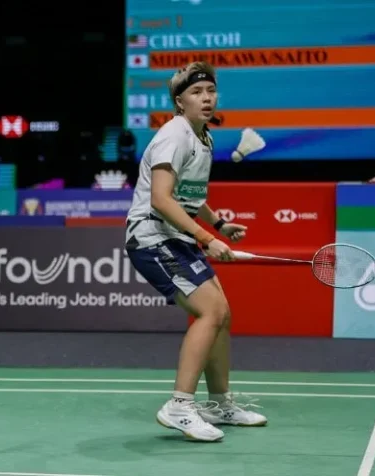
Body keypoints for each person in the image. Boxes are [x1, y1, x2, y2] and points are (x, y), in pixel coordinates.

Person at [124, 61, 267, 442]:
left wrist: (219, 224)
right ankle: (179, 405)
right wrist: (207, 238)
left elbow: (189, 195)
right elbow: (160, 199)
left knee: (222, 313)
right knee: (211, 311)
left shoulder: (203, 136)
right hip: (152, 236)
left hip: (175, 236)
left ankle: (219, 403)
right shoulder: (174, 135)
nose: (206, 98)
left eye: (211, 91)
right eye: (196, 93)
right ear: (179, 101)